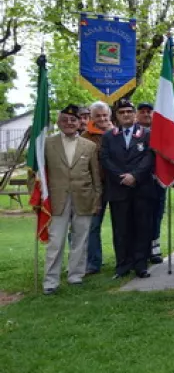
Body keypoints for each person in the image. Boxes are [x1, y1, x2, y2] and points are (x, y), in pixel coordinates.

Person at [42, 104, 102, 294]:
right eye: (65, 120)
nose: (69, 123)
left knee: (80, 239)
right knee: (56, 240)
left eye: (73, 120)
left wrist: (97, 199)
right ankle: (51, 281)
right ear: (58, 123)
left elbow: (96, 177)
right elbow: (39, 174)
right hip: (57, 199)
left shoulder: (89, 145)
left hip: (83, 197)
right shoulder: (47, 143)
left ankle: (76, 275)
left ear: (79, 123)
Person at [100, 99, 156, 279]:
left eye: (129, 112)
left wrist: (135, 176)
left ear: (135, 114)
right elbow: (106, 159)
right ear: (116, 116)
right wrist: (121, 177)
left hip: (142, 188)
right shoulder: (109, 136)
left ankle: (141, 264)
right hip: (119, 189)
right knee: (121, 229)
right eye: (122, 112)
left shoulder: (147, 134)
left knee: (142, 227)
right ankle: (123, 265)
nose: (126, 115)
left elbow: (149, 157)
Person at [82, 101, 113, 275]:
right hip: (95, 188)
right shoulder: (85, 137)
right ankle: (93, 263)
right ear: (91, 118)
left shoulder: (117, 133)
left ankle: (127, 259)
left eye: (104, 115)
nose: (102, 119)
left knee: (122, 225)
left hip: (116, 185)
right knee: (92, 225)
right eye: (98, 116)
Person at [136, 101, 164, 265]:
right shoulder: (133, 133)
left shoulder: (160, 132)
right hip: (139, 181)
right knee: (140, 217)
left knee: (157, 215)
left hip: (157, 179)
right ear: (137, 114)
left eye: (149, 111)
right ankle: (140, 249)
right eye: (143, 111)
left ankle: (154, 246)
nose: (146, 114)